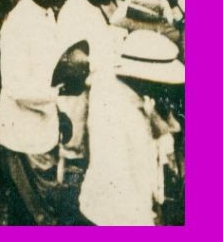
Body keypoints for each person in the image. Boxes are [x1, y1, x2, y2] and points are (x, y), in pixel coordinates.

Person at [0, 0, 69, 224]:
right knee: (30, 209)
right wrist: (56, 96)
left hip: (42, 127)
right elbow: (16, 86)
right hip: (22, 131)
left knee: (31, 210)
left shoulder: (47, 13)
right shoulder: (18, 24)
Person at [78, 30, 184, 226]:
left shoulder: (130, 94)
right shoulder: (115, 111)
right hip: (115, 216)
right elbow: (120, 181)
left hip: (133, 202)